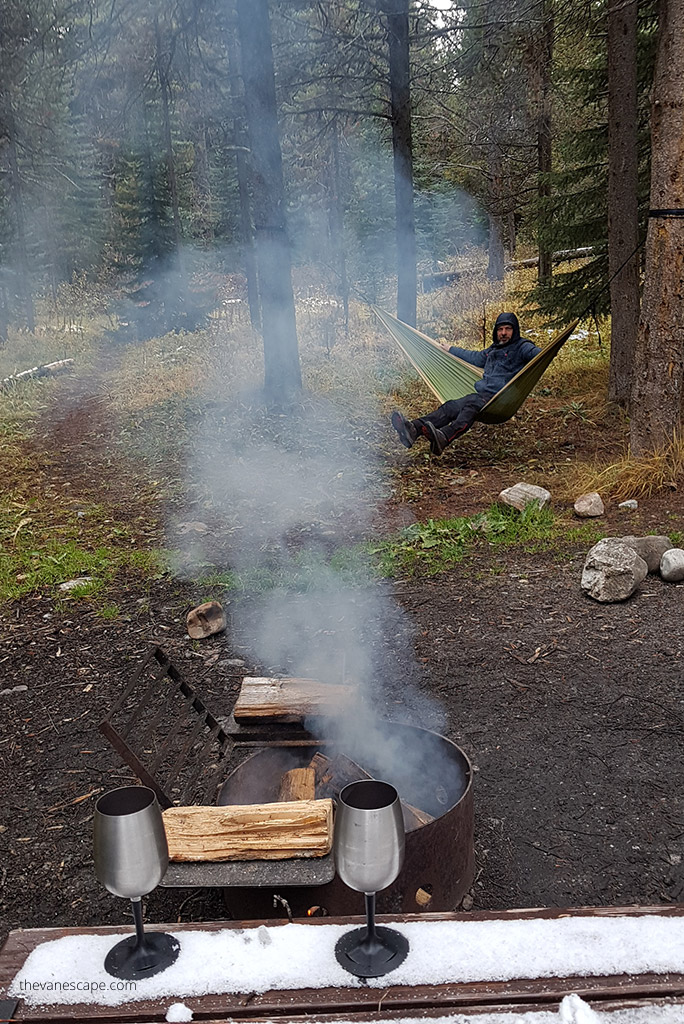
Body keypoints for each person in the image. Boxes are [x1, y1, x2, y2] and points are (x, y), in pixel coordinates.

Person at [391, 312, 541, 456]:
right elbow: (474, 357)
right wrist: (451, 349)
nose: (503, 333)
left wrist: (548, 352)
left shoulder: (522, 347)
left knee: (471, 404)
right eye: (500, 329)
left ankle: (445, 437)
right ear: (496, 331)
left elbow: (539, 354)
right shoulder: (493, 350)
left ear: (515, 331)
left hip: (501, 400)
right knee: (451, 407)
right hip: (483, 397)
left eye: (508, 329)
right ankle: (413, 429)